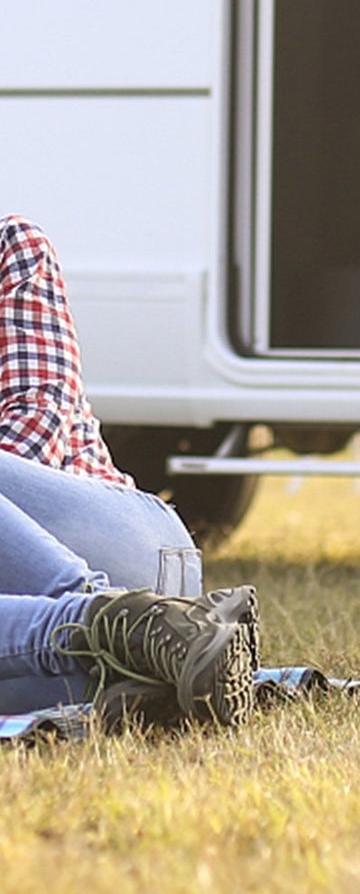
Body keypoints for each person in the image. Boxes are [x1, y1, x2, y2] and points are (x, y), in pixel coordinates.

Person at [0, 214, 256, 726]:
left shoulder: (10, 245)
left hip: (115, 539)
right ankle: (130, 666)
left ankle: (123, 620)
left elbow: (38, 418)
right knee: (55, 687)